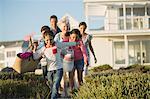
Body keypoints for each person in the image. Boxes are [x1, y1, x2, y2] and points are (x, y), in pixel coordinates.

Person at [33, 31, 78, 99]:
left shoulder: (57, 44)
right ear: (44, 40)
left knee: (55, 86)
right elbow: (35, 57)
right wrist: (34, 49)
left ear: (53, 38)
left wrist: (76, 43)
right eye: (47, 40)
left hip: (58, 69)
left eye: (50, 39)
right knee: (52, 87)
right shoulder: (43, 48)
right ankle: (56, 96)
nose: (49, 41)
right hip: (49, 70)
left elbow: (66, 44)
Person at [69, 29, 88, 93]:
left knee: (79, 76)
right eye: (73, 37)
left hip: (79, 60)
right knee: (71, 76)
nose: (74, 39)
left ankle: (81, 90)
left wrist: (85, 59)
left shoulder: (80, 42)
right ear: (70, 37)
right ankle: (72, 89)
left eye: (76, 37)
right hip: (71, 61)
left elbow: (84, 51)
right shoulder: (69, 42)